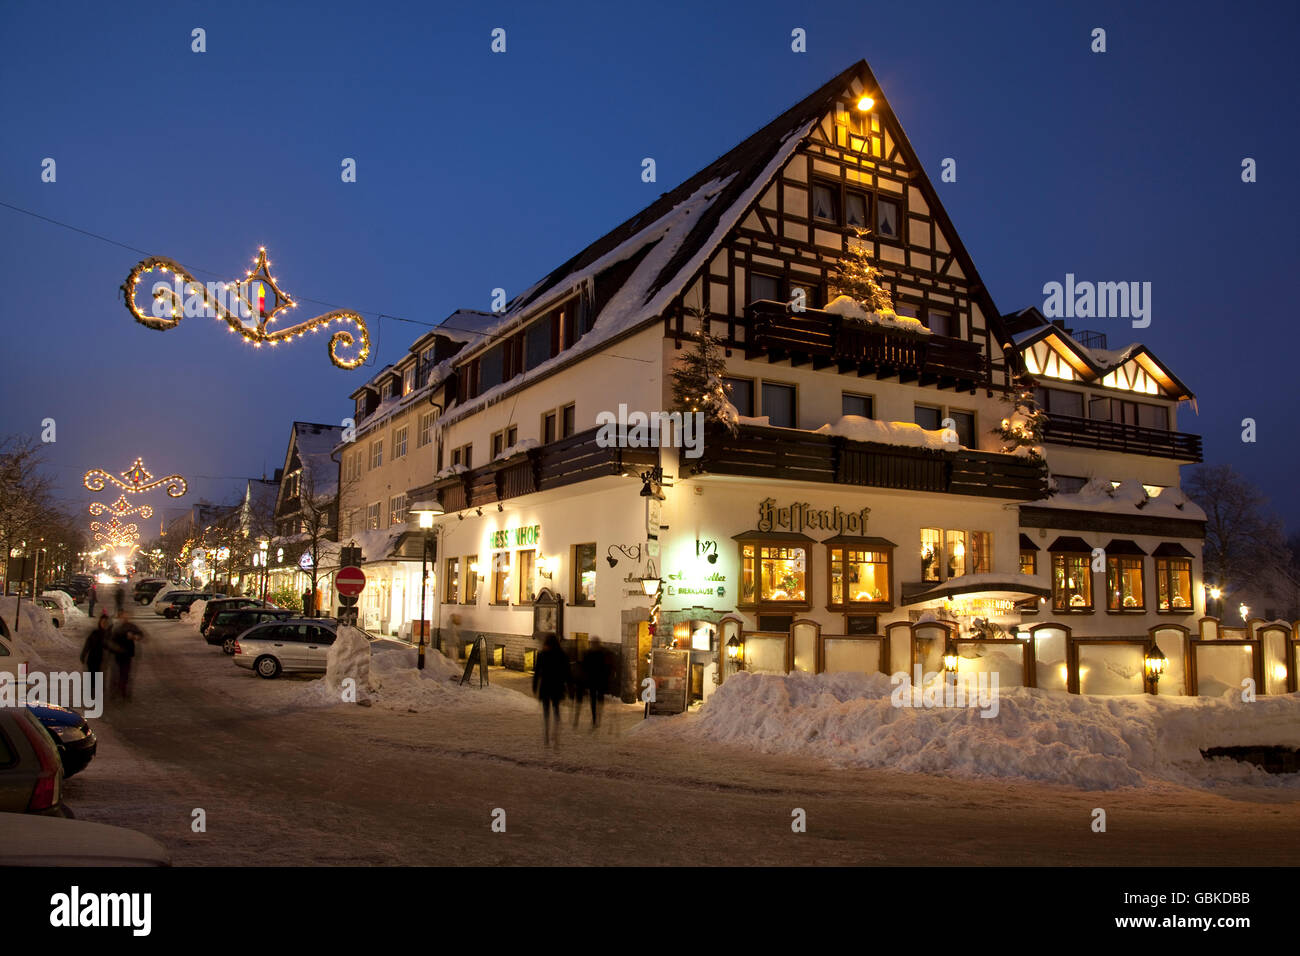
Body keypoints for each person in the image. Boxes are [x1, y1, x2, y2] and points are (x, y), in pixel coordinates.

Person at [532, 633, 569, 748]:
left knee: (546, 712)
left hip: (546, 687)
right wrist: (569, 686)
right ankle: (556, 735)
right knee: (556, 710)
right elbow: (567, 672)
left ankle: (547, 736)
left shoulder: (542, 654)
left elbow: (537, 672)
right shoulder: (562, 655)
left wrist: (535, 685)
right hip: (557, 686)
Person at [107, 609, 144, 702]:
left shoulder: (131, 627)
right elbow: (109, 639)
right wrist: (115, 648)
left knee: (125, 674)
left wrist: (135, 637)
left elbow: (140, 635)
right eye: (123, 616)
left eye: (126, 616)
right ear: (119, 617)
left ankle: (124, 692)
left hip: (127, 654)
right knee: (115, 674)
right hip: (117, 654)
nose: (125, 617)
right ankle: (114, 692)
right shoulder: (115, 627)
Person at [580, 636, 611, 729]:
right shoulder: (593, 653)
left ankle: (596, 717)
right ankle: (595, 718)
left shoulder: (600, 653)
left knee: (597, 699)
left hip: (597, 680)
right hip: (594, 680)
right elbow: (585, 667)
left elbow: (606, 667)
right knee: (594, 700)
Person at [80, 613, 111, 701]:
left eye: (106, 622)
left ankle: (97, 694)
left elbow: (111, 647)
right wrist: (83, 654)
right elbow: (88, 644)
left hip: (102, 660)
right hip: (92, 658)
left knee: (99, 678)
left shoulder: (108, 635)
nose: (104, 624)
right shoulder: (95, 633)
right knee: (92, 677)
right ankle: (91, 694)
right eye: (102, 622)